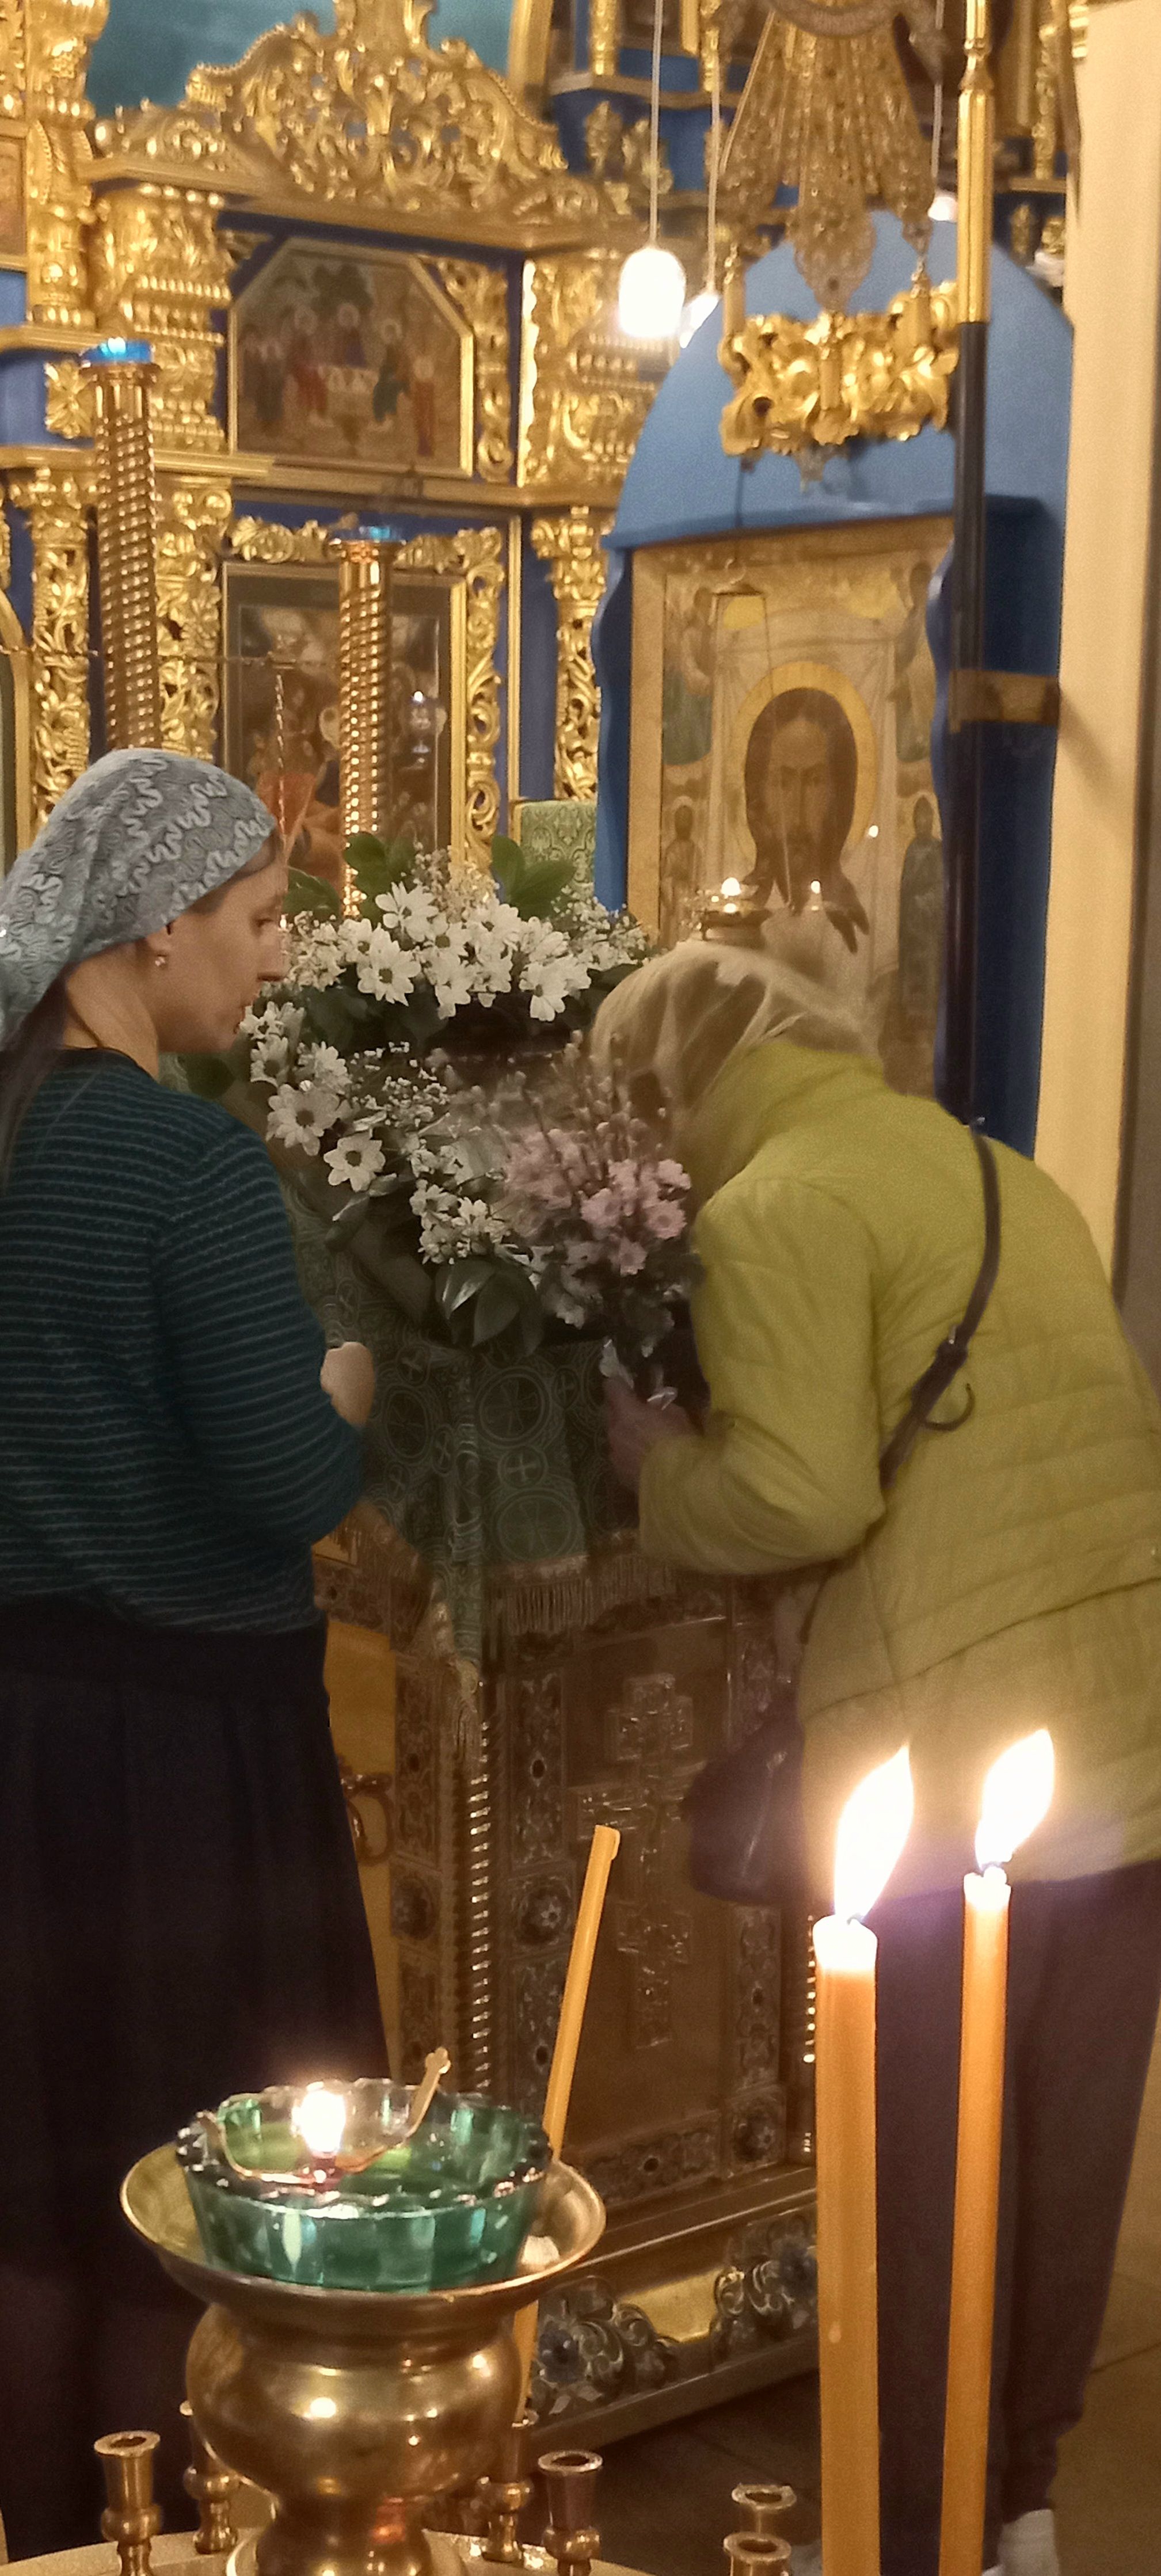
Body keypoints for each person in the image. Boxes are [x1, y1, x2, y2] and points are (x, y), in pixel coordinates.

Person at [592, 939, 1161, 2576]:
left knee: (922, 2170)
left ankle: (915, 2534)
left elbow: (802, 1493)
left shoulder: (771, 1206)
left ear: (679, 1083)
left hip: (948, 1747)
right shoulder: (995, 1169)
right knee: (1061, 2151)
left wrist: (656, 1464)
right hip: (1121, 1731)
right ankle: (1021, 2507)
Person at [0, 752, 386, 2555]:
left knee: (27, 2175)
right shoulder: (185, 1165)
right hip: (184, 1762)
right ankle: (169, 2539)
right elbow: (287, 1480)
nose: (276, 954)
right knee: (181, 2176)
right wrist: (349, 1382)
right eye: (258, 916)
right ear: (155, 930)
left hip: (19, 1739)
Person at [742, 688, 870, 956]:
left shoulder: (865, 918)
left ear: (838, 796)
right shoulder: (738, 920)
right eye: (782, 783)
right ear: (759, 795)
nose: (797, 814)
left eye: (815, 782)